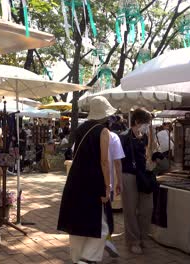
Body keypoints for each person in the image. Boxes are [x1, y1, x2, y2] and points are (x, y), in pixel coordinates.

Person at [57, 96, 115, 264]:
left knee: (77, 222)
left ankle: (77, 259)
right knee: (101, 226)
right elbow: (104, 161)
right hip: (93, 180)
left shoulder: (81, 128)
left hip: (76, 179)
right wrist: (107, 185)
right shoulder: (104, 131)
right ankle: (87, 260)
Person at [119, 108, 153, 255]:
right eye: (147, 123)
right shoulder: (124, 137)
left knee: (147, 208)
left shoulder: (145, 136)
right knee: (130, 210)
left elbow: (147, 154)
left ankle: (143, 237)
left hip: (143, 175)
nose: (148, 126)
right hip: (128, 175)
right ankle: (133, 241)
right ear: (137, 122)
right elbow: (118, 160)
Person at [104, 116, 125, 258]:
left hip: (88, 184)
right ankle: (106, 238)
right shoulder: (113, 137)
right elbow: (117, 162)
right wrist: (120, 182)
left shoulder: (85, 133)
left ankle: (105, 238)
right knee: (106, 212)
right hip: (107, 184)